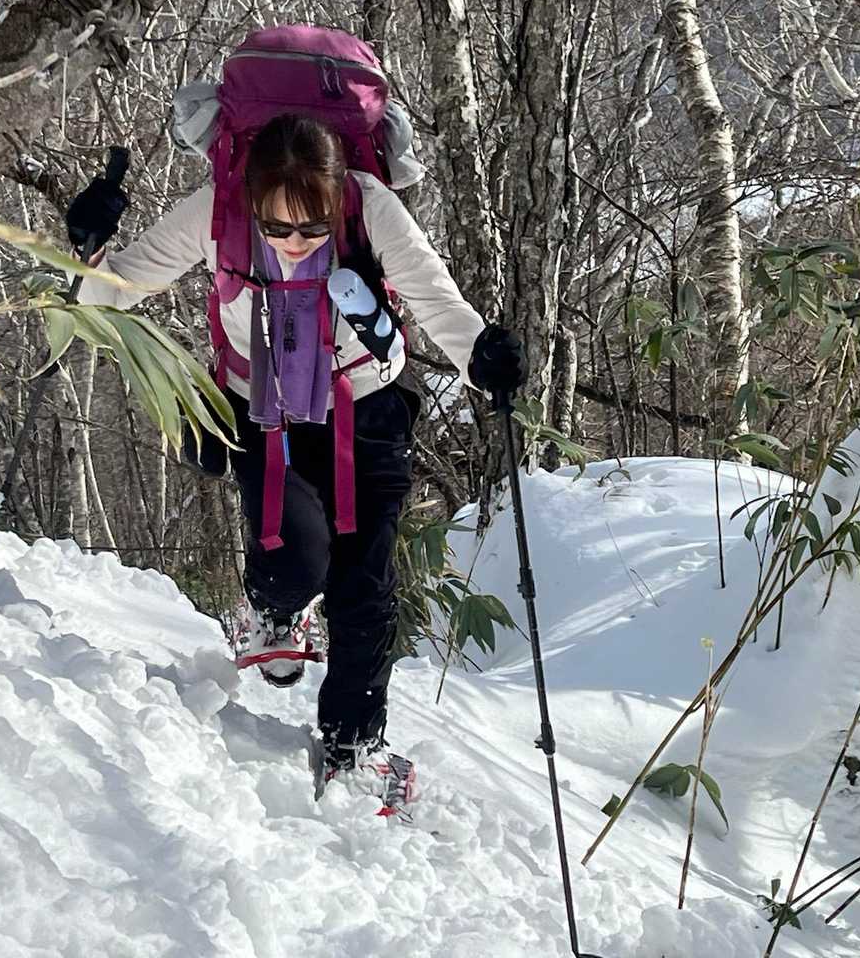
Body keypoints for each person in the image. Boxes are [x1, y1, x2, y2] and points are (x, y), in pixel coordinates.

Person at [67, 113, 526, 778]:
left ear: (337, 197)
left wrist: (483, 357)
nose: (292, 243)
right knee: (295, 561)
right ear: (252, 199)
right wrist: (86, 248)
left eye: (312, 228)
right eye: (276, 227)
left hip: (366, 402)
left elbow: (434, 297)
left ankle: (353, 743)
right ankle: (272, 609)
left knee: (365, 586)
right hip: (262, 407)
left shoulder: (369, 207)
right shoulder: (219, 211)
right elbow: (110, 296)